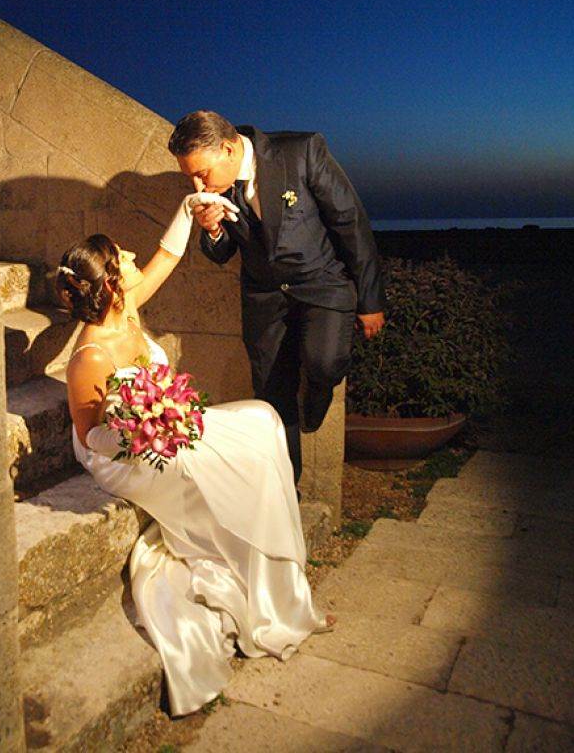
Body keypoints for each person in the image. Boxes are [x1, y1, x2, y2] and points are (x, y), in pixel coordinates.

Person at [56, 199, 335, 716]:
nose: (133, 259)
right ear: (110, 285)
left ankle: (279, 590)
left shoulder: (126, 305)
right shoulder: (88, 358)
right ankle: (266, 591)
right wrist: (144, 430)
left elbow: (167, 255)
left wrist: (189, 209)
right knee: (235, 460)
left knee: (263, 421)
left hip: (167, 429)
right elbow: (90, 436)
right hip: (126, 453)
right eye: (124, 257)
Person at [168, 111, 386, 484]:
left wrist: (371, 300)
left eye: (201, 173)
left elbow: (350, 222)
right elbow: (221, 254)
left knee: (325, 363)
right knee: (271, 396)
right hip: (264, 296)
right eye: (190, 176)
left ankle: (318, 391)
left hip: (322, 282)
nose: (196, 184)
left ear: (228, 149)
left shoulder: (302, 152)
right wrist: (212, 229)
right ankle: (287, 490)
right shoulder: (215, 189)